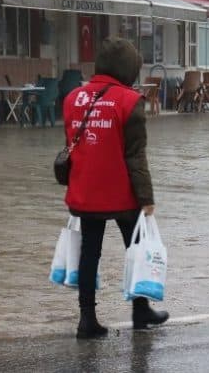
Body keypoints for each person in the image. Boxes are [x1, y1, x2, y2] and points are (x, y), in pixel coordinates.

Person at [63, 37, 169, 339]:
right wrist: (146, 198)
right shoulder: (129, 101)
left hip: (85, 192)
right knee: (136, 249)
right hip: (123, 194)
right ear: (129, 68)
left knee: (89, 254)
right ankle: (140, 310)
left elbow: (71, 146)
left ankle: (87, 320)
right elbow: (135, 155)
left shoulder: (73, 99)